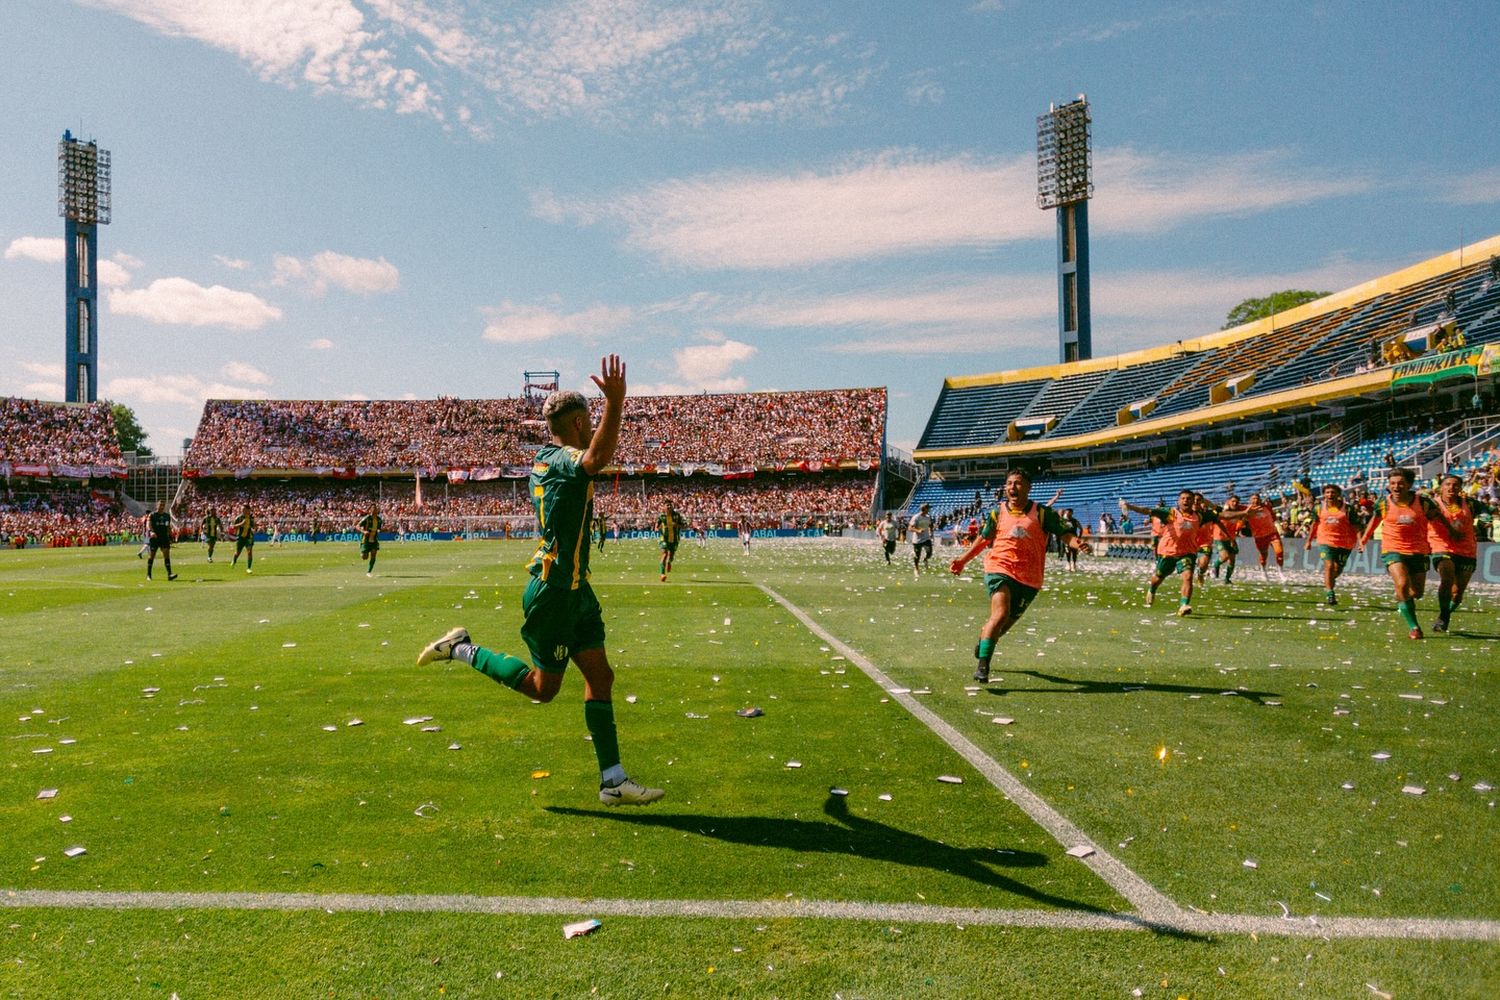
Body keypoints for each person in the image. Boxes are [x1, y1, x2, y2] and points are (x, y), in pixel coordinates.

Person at [416, 355, 662, 806]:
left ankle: (613, 781)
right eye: (589, 420)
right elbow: (597, 458)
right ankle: (462, 648)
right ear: (578, 420)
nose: (591, 426)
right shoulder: (564, 458)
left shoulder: (546, 459)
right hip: (553, 594)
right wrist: (617, 403)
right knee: (542, 690)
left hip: (575, 590)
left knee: (600, 676)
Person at [949, 469, 1089, 683]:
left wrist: (1077, 544)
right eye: (1009, 483)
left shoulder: (1042, 513)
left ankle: (984, 640)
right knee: (1000, 613)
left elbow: (1065, 535)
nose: (1012, 487)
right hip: (1000, 568)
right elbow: (983, 540)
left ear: (1028, 487)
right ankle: (983, 666)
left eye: (1018, 483)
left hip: (1030, 578)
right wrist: (962, 560)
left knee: (1003, 626)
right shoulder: (997, 513)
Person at [1357, 467, 1450, 639]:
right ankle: (1414, 627)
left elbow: (1437, 517)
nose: (1396, 487)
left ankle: (1402, 598)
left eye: (1400, 483)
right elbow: (1374, 520)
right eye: (1392, 483)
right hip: (1393, 549)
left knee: (1417, 593)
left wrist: (1450, 532)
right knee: (1401, 584)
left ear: (1409, 485)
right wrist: (1364, 539)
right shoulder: (1383, 503)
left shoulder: (1423, 502)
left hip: (1418, 551)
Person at [1124, 491, 1246, 616]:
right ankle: (1152, 589)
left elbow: (1223, 515)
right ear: (1178, 501)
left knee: (1187, 577)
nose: (1185, 501)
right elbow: (1147, 511)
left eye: (1188, 499)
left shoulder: (1200, 516)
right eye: (1183, 498)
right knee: (1158, 578)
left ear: (1193, 501)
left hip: (1187, 552)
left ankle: (1184, 605)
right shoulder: (1171, 513)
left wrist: (1245, 513)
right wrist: (1130, 506)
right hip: (1168, 552)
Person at [1427, 473, 1494, 632]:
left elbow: (1486, 510)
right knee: (1447, 576)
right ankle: (1444, 617)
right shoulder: (1431, 505)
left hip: (1466, 549)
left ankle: (1445, 614)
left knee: (1457, 594)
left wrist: (1485, 519)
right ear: (1441, 487)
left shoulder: (1469, 503)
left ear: (1460, 488)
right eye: (1448, 484)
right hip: (1441, 545)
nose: (1451, 488)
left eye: (1455, 485)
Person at [1303, 484, 1359, 606]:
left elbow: (1356, 526)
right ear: (1324, 495)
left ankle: (1329, 582)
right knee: (1328, 565)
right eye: (1327, 492)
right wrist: (1308, 541)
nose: (1330, 495)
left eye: (1333, 492)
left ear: (1338, 495)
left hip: (1345, 543)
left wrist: (1361, 541)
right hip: (1325, 541)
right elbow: (1314, 525)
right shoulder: (1318, 508)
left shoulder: (1348, 509)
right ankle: (1330, 593)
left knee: (1336, 570)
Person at [1243, 492, 1286, 580]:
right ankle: (1263, 570)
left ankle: (1281, 573)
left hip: (1272, 533)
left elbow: (1273, 517)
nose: (1256, 500)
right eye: (1253, 499)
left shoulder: (1267, 506)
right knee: (1263, 555)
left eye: (1257, 498)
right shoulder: (1248, 510)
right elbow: (1243, 522)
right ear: (1250, 501)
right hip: (1260, 536)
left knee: (1279, 552)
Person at [144, 500, 178, 581]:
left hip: (164, 538)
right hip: (155, 538)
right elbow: (148, 525)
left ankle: (169, 574)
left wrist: (171, 537)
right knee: (152, 556)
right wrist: (151, 531)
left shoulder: (167, 516)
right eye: (160, 505)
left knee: (166, 555)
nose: (162, 506)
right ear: (157, 506)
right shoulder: (152, 515)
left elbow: (168, 527)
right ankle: (149, 575)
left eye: (163, 505)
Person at [657, 502, 684, 582]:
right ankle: (662, 574)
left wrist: (676, 525)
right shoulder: (661, 516)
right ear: (664, 507)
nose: (668, 506)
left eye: (670, 505)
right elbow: (656, 525)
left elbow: (683, 524)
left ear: (672, 507)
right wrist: (656, 528)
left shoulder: (677, 515)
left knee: (671, 555)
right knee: (664, 554)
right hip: (664, 538)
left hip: (674, 539)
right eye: (667, 505)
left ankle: (669, 562)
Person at [909, 502, 934, 577]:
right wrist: (918, 530)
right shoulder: (916, 517)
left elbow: (930, 525)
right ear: (925, 509)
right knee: (917, 555)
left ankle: (925, 559)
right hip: (917, 539)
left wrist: (930, 532)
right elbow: (910, 528)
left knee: (929, 553)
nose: (929, 509)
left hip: (926, 538)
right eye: (928, 508)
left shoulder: (928, 517)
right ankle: (916, 569)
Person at [357, 504, 382, 576]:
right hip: (366, 539)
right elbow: (357, 526)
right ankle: (361, 547)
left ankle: (369, 572)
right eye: (373, 508)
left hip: (374, 539)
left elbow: (379, 528)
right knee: (364, 557)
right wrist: (363, 531)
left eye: (375, 508)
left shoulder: (379, 519)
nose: (374, 510)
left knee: (374, 554)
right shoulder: (367, 518)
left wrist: (379, 530)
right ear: (370, 510)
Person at [230, 504, 255, 573]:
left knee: (249, 552)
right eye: (242, 509)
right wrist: (241, 524)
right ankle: (234, 561)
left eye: (244, 509)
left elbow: (254, 526)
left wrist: (254, 529)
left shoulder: (251, 518)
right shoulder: (239, 518)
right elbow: (233, 527)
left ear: (248, 510)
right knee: (238, 552)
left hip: (249, 537)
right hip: (240, 538)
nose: (242, 511)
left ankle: (249, 568)